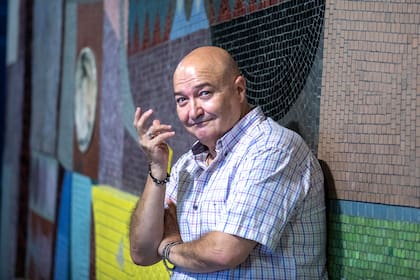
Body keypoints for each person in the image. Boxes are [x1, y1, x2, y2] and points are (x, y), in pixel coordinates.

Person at [130, 46, 328, 279]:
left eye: (204, 93)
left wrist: (168, 248)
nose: (193, 111)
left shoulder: (271, 148)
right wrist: (157, 168)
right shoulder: (187, 166)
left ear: (239, 89)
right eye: (182, 100)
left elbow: (224, 252)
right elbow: (142, 253)